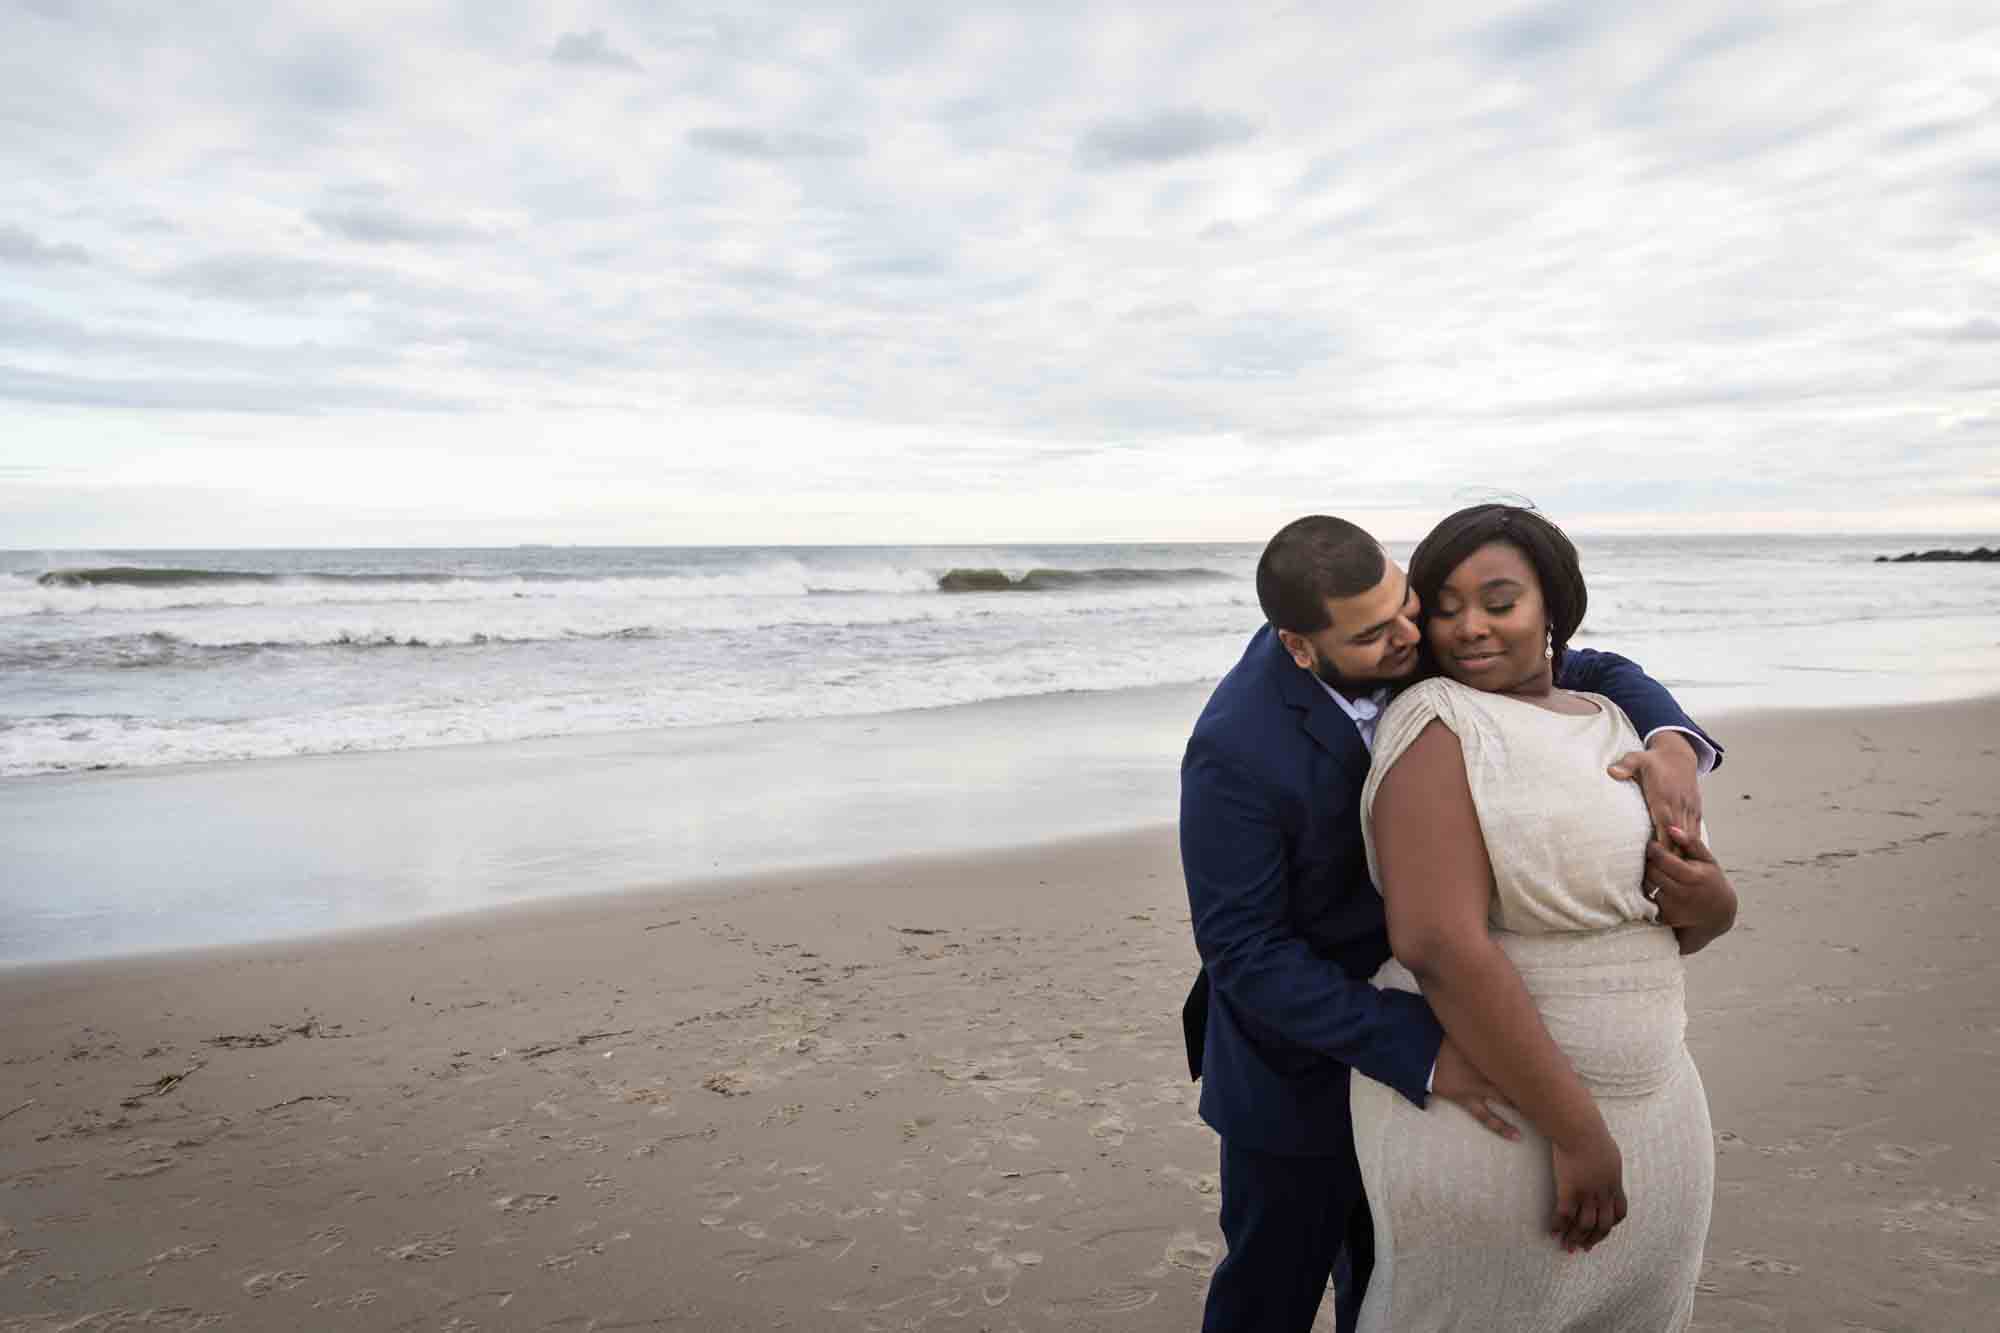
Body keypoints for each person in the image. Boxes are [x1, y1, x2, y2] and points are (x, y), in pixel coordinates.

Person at [1180, 514, 1727, 1333]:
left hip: (1445, 1044)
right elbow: (1244, 951)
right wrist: (1421, 1046)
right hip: (1298, 1069)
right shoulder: (1236, 749)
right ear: (1301, 647)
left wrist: (1673, 739)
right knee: (1271, 1289)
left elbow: (1585, 660)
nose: (1412, 636)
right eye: (1376, 632)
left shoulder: (1409, 644)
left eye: (1409, 604)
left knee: (1391, 1284)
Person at [1351, 504, 1736, 1331]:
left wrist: (1716, 905)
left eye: (1499, 600)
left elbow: (1667, 921)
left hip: (1659, 1097)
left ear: (1552, 607)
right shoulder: (1437, 723)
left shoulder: (1616, 720)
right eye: (1445, 606)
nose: (1469, 628)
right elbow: (1436, 942)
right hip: (1515, 1120)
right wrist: (1576, 1130)